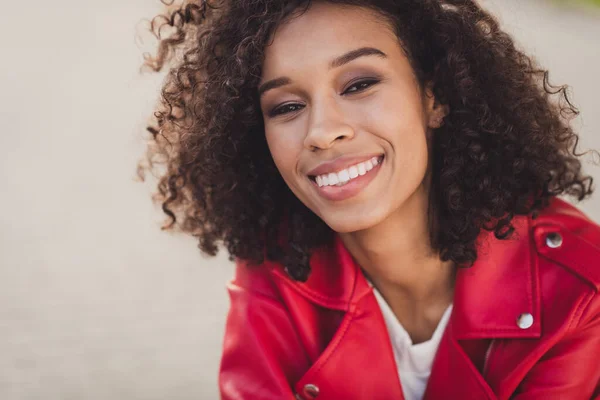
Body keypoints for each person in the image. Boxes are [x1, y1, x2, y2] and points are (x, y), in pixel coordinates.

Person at [137, 0, 600, 398]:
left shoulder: (580, 292)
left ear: (433, 96)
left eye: (359, 84)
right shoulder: (275, 269)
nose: (321, 132)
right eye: (287, 107)